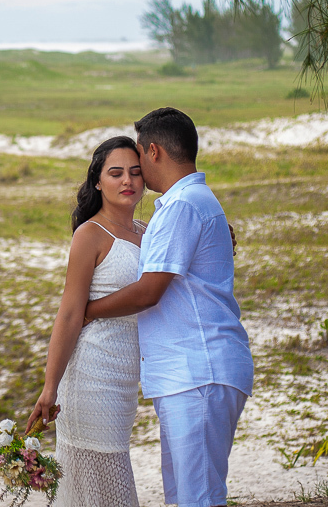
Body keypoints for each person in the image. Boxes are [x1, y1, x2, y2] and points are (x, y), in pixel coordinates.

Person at [83, 107, 254, 507]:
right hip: (188, 372)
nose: (136, 171)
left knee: (199, 499)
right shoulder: (188, 203)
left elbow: (149, 291)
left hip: (199, 370)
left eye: (139, 158)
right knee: (182, 497)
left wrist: (89, 309)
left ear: (153, 151)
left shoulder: (183, 206)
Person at [25, 136, 146, 507]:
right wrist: (50, 387)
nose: (127, 181)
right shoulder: (90, 234)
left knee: (104, 485)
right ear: (98, 181)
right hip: (91, 376)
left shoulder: (146, 231)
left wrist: (223, 236)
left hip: (126, 377)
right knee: (104, 487)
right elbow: (69, 313)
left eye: (135, 173)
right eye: (116, 173)